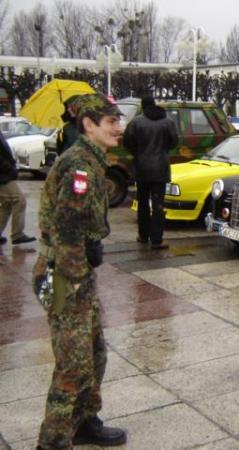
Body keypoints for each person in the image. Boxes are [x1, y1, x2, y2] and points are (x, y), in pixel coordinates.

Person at [33, 94, 127, 449]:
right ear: (89, 124)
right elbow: (66, 231)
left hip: (77, 272)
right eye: (111, 122)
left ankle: (85, 420)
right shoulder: (80, 166)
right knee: (72, 363)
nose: (119, 128)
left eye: (118, 120)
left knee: (95, 353)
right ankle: (53, 441)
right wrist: (74, 285)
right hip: (63, 275)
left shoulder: (92, 160)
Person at [123, 96, 177, 250]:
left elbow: (127, 142)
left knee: (143, 204)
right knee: (158, 205)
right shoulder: (168, 122)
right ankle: (156, 240)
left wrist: (138, 153)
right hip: (161, 168)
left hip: (142, 168)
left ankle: (143, 235)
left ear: (143, 106)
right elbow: (174, 142)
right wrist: (163, 150)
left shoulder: (136, 122)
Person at [0, 129, 36, 245]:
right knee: (19, 200)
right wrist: (9, 168)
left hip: (4, 174)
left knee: (7, 204)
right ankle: (17, 234)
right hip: (2, 175)